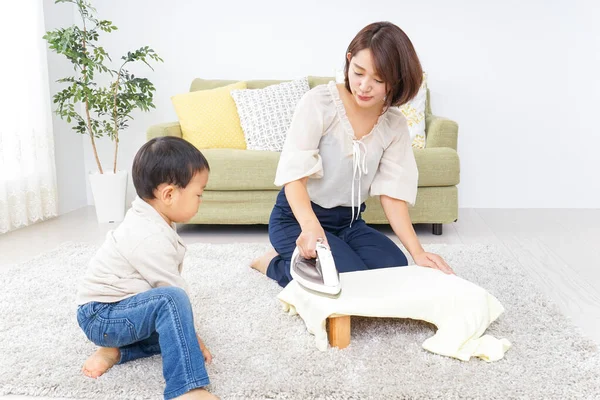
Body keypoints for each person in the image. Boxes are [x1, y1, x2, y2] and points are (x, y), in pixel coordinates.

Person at [251, 21, 454, 286]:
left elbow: (392, 195)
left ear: (395, 82)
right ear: (349, 61)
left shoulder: (393, 124)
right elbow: (295, 177)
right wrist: (311, 227)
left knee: (396, 268)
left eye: (379, 79)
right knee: (346, 280)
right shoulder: (319, 102)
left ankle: (324, 257)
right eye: (358, 72)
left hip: (349, 223)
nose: (364, 86)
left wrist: (418, 252)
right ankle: (272, 263)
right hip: (297, 219)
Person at [75, 137, 218, 400]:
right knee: (173, 302)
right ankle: (186, 387)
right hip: (101, 315)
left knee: (174, 329)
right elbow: (171, 291)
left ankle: (117, 351)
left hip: (120, 310)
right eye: (199, 193)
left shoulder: (155, 220)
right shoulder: (147, 234)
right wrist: (193, 340)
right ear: (169, 195)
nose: (201, 199)